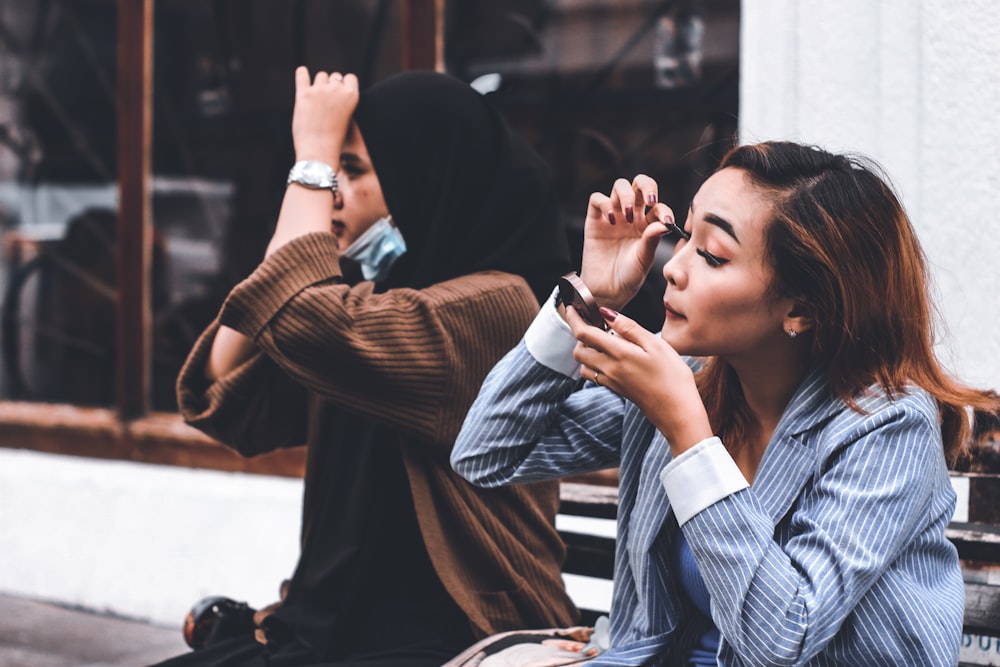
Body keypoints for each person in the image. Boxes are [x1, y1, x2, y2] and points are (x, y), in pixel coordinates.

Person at [452, 140, 1000, 665]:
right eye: (684, 235)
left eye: (712, 255)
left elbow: (781, 637)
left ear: (801, 308)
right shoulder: (691, 382)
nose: (672, 266)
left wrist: (688, 435)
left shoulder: (887, 425)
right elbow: (484, 454)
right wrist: (590, 297)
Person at [156, 66, 579, 667]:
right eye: (331, 172)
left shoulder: (504, 309)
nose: (331, 193)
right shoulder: (362, 299)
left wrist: (310, 162)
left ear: (424, 179)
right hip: (325, 632)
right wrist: (311, 197)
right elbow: (227, 398)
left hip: (457, 637)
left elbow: (299, 313)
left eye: (350, 171)